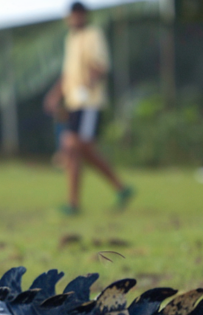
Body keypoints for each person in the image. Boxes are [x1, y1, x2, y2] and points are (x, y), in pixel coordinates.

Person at [44, 2, 132, 216]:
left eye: (79, 15)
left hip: (90, 103)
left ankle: (108, 191)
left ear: (84, 16)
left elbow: (100, 67)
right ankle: (80, 201)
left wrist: (88, 85)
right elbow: (68, 73)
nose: (75, 19)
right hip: (74, 103)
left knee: (73, 145)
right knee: (81, 150)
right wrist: (56, 94)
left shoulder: (93, 34)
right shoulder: (70, 39)